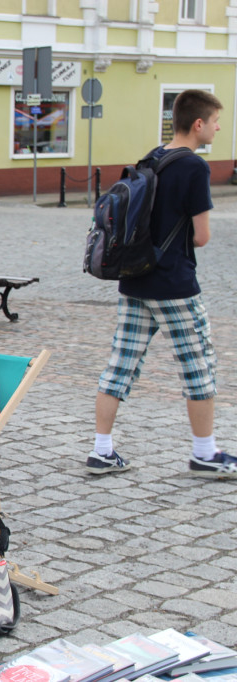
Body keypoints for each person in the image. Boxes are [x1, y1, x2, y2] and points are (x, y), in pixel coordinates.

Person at [86, 89, 235, 477]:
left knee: (121, 362)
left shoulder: (151, 157)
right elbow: (201, 236)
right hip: (174, 283)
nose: (219, 127)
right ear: (198, 124)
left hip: (135, 277)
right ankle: (205, 453)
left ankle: (102, 450)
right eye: (216, 121)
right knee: (197, 364)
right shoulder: (195, 168)